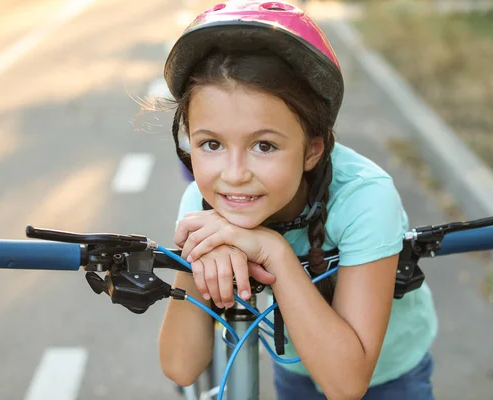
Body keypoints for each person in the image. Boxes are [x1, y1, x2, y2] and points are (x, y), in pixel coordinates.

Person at [158, 1, 438, 399]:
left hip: (388, 376)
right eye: (212, 144)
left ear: (312, 149)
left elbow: (347, 384)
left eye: (265, 145)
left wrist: (274, 252)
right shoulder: (202, 204)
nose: (234, 174)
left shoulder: (365, 198)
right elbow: (181, 367)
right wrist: (196, 257)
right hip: (298, 365)